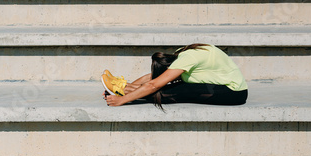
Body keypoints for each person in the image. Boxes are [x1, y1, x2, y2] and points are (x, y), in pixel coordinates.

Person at [102, 44, 248, 108]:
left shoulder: (186, 59)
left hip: (233, 92)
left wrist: (122, 99)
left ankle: (125, 90)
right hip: (223, 86)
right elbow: (152, 77)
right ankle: (124, 88)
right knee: (176, 87)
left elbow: (154, 84)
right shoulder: (182, 53)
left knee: (175, 91)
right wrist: (124, 88)